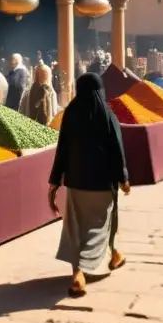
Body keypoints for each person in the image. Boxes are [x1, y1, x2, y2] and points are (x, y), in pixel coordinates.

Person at [49, 73, 130, 298]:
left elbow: (62, 148)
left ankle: (112, 255)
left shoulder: (70, 114)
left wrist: (55, 181)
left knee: (77, 227)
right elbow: (117, 148)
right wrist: (123, 177)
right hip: (103, 183)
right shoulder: (107, 114)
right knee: (100, 225)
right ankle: (81, 273)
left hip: (76, 183)